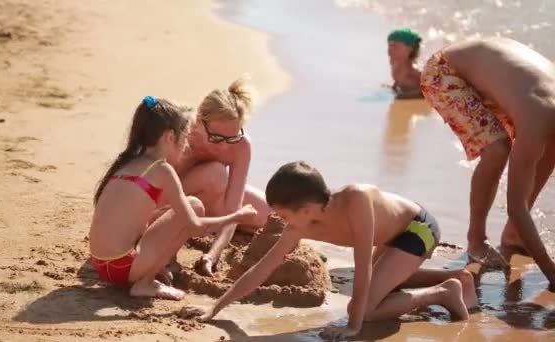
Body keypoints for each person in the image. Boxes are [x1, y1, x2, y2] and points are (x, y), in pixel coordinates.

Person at [193, 161, 476, 339]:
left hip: (418, 229)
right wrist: (215, 309)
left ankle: (442, 293)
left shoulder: (356, 200)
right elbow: (262, 269)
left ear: (305, 209)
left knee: (365, 309)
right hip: (392, 239)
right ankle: (458, 277)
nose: (280, 221)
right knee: (379, 286)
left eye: (283, 214)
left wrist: (353, 324)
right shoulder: (298, 225)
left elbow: (362, 265)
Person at [89, 96, 257, 300]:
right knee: (194, 207)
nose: (187, 145)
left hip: (100, 265)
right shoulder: (163, 171)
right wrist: (236, 216)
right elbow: (195, 226)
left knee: (188, 206)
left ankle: (149, 269)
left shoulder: (129, 162)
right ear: (169, 137)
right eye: (185, 138)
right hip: (122, 268)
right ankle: (145, 282)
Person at [421, 37, 555, 284]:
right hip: (446, 71)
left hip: (491, 69)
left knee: (550, 150)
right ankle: (477, 240)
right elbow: (516, 204)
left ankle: (514, 234)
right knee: (498, 148)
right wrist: (549, 269)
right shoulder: (539, 118)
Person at [173, 78, 272, 276]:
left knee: (272, 217)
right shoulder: (179, 135)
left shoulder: (241, 145)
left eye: (232, 137)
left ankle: (211, 229)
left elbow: (233, 206)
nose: (225, 146)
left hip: (212, 198)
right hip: (173, 202)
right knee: (216, 173)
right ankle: (194, 228)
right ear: (200, 121)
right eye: (217, 138)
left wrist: (213, 254)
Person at [388, 27, 423, 99]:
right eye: (389, 45)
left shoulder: (413, 76)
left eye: (395, 46)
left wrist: (402, 97)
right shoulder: (395, 65)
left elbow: (425, 93)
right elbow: (397, 80)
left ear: (409, 49)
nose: (390, 50)